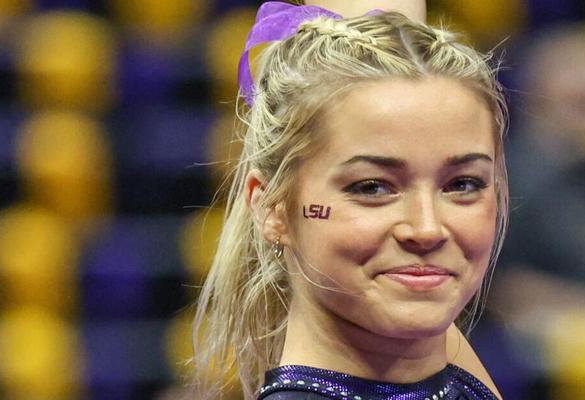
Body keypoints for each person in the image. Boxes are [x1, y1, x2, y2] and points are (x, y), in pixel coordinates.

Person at [191, 1, 509, 398]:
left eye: (462, 184)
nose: (426, 229)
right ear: (271, 207)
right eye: (372, 187)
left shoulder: (453, 380)